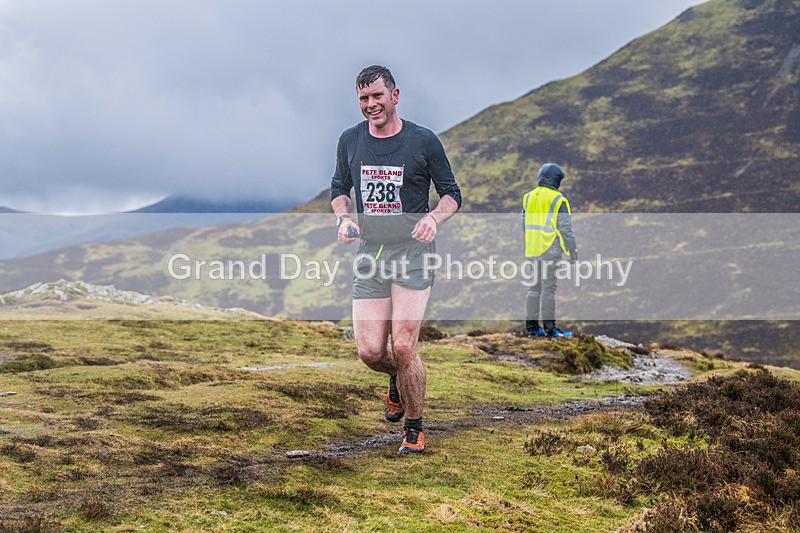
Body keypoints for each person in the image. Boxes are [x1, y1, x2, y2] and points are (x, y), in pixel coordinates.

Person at [330, 65, 462, 454]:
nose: (371, 105)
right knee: (371, 352)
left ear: (395, 95)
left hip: (414, 254)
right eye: (363, 99)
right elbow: (339, 188)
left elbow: (452, 194)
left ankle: (415, 429)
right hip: (371, 253)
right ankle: (398, 380)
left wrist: (433, 218)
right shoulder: (349, 140)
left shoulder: (423, 141)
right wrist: (343, 218)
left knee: (404, 346)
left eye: (377, 97)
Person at [522, 163, 577, 338]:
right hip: (550, 251)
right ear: (555, 180)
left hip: (532, 250)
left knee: (534, 288)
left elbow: (524, 224)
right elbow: (565, 228)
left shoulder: (528, 197)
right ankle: (550, 330)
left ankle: (532, 328)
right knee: (548, 290)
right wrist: (572, 250)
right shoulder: (557, 199)